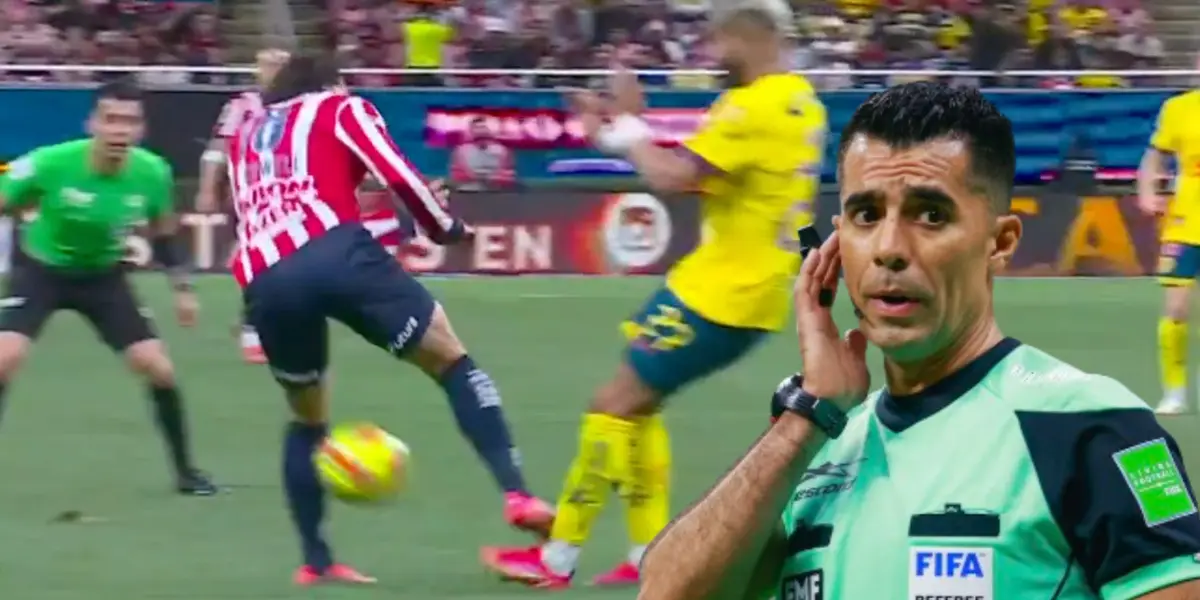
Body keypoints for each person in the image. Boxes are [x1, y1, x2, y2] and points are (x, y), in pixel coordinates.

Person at [639, 81, 1200, 600]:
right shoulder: (817, 445)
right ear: (836, 244)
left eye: (930, 215)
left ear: (1000, 242)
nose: (889, 248)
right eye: (865, 214)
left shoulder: (1087, 427)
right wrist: (805, 417)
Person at [481, 0, 827, 588]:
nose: (712, 54)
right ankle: (646, 556)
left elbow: (675, 177)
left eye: (718, 40)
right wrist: (625, 133)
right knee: (639, 407)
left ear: (748, 35)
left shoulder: (753, 106)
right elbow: (707, 171)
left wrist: (629, 130)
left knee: (612, 404)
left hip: (720, 292)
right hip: (747, 289)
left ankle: (557, 558)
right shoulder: (800, 102)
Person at [225, 53, 553, 585]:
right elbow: (399, 174)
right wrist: (445, 228)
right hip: (334, 249)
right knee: (450, 360)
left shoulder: (246, 136)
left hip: (265, 277)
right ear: (332, 82)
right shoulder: (340, 107)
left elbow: (259, 208)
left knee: (307, 417)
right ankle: (517, 493)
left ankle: (317, 562)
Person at [0, 78, 216, 496]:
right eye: (110, 119)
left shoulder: (152, 172)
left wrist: (182, 289)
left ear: (141, 129)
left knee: (158, 369)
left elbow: (164, 234)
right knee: (5, 358)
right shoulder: (49, 162)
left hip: (102, 277)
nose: (119, 130)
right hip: (40, 270)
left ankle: (187, 474)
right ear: (91, 124)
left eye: (129, 121)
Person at [196, 46, 289, 365]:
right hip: (249, 194)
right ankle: (252, 329)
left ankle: (260, 319)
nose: (275, 70)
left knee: (284, 261)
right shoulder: (242, 105)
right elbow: (218, 148)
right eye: (268, 64)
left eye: (281, 64)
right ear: (257, 70)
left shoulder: (301, 105)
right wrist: (207, 189)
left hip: (291, 194)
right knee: (264, 259)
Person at [1138, 82, 1200, 415]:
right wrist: (1147, 191)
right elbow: (1154, 157)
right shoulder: (1178, 108)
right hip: (1186, 222)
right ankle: (1174, 391)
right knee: (1176, 309)